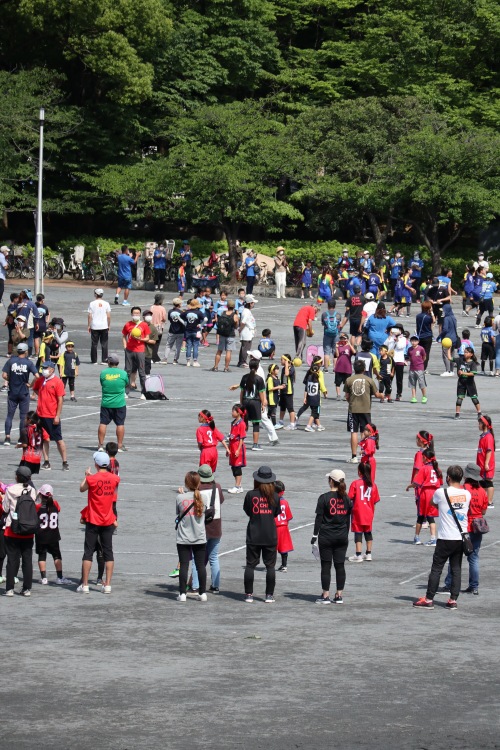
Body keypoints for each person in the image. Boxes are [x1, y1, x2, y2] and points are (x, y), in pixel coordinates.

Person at [413, 465, 470, 610]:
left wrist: (444, 509)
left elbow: (433, 503)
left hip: (445, 537)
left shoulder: (441, 492)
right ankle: (452, 600)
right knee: (456, 568)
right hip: (460, 537)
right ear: (461, 478)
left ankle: (429, 598)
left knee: (437, 568)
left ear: (448, 478)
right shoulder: (467, 494)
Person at [443, 463, 488, 596]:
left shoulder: (463, 489)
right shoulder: (482, 491)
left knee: (455, 556)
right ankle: (474, 586)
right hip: (478, 527)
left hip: (463, 527)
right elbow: (484, 511)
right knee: (474, 558)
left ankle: (449, 583)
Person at [79, 451, 120, 594]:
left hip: (93, 519)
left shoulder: (92, 479)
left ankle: (85, 585)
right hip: (108, 519)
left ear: (96, 464)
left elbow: (81, 488)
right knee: (108, 552)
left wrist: (87, 476)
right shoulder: (115, 478)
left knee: (88, 552)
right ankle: (107, 584)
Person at [311, 469, 352, 604]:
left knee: (326, 566)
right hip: (341, 536)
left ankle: (325, 595)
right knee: (340, 566)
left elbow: (319, 519)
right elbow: (348, 519)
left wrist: (314, 535)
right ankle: (339, 595)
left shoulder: (324, 498)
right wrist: (345, 533)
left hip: (326, 536)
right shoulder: (347, 498)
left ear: (331, 481)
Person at [186, 464, 225, 596]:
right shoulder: (217, 487)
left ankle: (195, 586)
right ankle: (215, 586)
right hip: (216, 526)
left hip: (201, 527)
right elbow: (222, 501)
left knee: (198, 558)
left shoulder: (198, 489)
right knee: (214, 557)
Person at [243, 465, 280, 603]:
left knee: (250, 565)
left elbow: (248, 511)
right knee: (270, 566)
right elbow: (276, 514)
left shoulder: (250, 495)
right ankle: (269, 595)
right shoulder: (275, 497)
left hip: (254, 533)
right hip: (270, 534)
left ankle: (248, 594)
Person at [2, 465, 37, 596]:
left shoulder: (11, 490)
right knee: (27, 560)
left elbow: (5, 509)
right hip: (28, 529)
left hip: (13, 529)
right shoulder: (32, 491)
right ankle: (27, 588)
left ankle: (9, 589)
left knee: (12, 560)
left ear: (17, 477)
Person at [174, 471, 207, 602]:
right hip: (199, 536)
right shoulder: (203, 497)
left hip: (183, 537)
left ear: (186, 483)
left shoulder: (179, 498)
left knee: (184, 565)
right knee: (200, 566)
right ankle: (202, 593)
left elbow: (178, 513)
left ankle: (182, 594)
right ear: (198, 483)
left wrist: (182, 495)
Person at [32, 361, 68, 471]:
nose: (43, 370)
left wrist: (57, 415)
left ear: (52, 369)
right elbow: (35, 388)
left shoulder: (57, 382)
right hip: (40, 414)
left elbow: (60, 399)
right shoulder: (41, 380)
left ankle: (65, 462)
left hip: (52, 415)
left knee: (58, 439)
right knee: (43, 439)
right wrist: (42, 397)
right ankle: (46, 461)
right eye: (42, 368)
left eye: (45, 368)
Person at [344, 360, 382, 463]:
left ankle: (354, 456)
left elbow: (347, 396)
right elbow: (377, 394)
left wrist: (351, 402)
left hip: (353, 409)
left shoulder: (349, 380)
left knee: (354, 432)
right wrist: (383, 395)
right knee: (365, 432)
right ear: (364, 369)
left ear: (354, 369)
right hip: (365, 409)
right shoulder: (369, 380)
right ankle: (364, 454)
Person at [35, 484, 71, 585]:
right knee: (57, 556)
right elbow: (57, 510)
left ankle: (44, 578)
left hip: (41, 535)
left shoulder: (37, 506)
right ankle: (59, 577)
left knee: (42, 556)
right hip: (53, 534)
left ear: (41, 495)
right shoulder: (56, 504)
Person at [2, 342, 37, 446]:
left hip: (13, 392)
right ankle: (21, 438)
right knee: (23, 416)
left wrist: (11, 379)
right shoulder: (28, 363)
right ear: (26, 351)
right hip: (24, 392)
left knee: (9, 415)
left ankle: (7, 437)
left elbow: (4, 375)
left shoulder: (11, 361)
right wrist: (31, 385)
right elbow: (37, 375)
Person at [406, 448, 442, 545]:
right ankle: (433, 538)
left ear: (426, 458)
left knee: (420, 516)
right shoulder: (437, 469)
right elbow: (440, 482)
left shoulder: (424, 468)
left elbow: (416, 483)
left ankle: (417, 537)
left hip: (425, 493)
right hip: (435, 493)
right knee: (431, 517)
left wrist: (409, 486)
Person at [348, 462, 380, 562]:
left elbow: (349, 497)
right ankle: (368, 553)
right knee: (368, 532)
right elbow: (375, 501)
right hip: (369, 512)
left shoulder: (355, 483)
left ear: (359, 472)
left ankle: (358, 554)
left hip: (358, 512)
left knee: (358, 533)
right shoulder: (373, 485)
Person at [98, 354, 129, 452]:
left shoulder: (103, 373)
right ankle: (119, 446)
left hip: (106, 403)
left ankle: (100, 445)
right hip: (119, 403)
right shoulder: (123, 373)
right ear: (118, 363)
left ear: (109, 362)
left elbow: (102, 383)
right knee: (120, 424)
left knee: (103, 423)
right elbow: (126, 383)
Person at [122, 306, 150, 395]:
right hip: (129, 350)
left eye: (138, 313)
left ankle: (143, 392)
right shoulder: (128, 324)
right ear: (131, 314)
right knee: (127, 371)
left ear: (140, 315)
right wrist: (125, 346)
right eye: (134, 313)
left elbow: (147, 338)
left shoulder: (144, 325)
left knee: (141, 371)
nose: (136, 315)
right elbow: (124, 336)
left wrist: (140, 338)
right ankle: (126, 392)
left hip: (140, 350)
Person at [240, 360, 267, 451]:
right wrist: (263, 403)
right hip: (255, 402)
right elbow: (261, 393)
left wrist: (241, 403)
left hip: (245, 401)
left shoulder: (244, 377)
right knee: (255, 423)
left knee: (244, 422)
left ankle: (241, 442)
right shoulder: (259, 379)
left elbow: (242, 392)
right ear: (257, 367)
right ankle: (255, 444)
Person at [296, 363, 326, 432]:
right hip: (316, 398)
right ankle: (308, 425)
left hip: (309, 397)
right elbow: (321, 386)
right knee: (314, 413)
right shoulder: (318, 378)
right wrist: (325, 392)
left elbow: (306, 389)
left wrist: (305, 398)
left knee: (315, 412)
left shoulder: (309, 377)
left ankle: (319, 425)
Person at [211, 300, 239, 372]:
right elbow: (236, 326)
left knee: (219, 351)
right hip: (230, 335)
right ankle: (226, 368)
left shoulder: (222, 313)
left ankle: (216, 367)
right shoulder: (235, 316)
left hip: (222, 334)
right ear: (234, 307)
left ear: (227, 306)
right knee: (228, 351)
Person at [455, 347, 481, 419]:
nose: (465, 353)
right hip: (461, 382)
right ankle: (457, 414)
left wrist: (463, 372)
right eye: (464, 352)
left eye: (467, 352)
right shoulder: (460, 360)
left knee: (474, 398)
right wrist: (448, 348)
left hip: (470, 383)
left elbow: (473, 373)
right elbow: (450, 358)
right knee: (459, 398)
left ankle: (479, 413)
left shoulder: (473, 363)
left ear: (471, 354)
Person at [227, 404, 247, 494]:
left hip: (238, 446)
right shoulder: (233, 422)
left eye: (233, 411)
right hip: (232, 445)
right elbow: (231, 437)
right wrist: (228, 449)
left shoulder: (241, 423)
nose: (232, 412)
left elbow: (242, 437)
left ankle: (237, 486)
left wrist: (238, 450)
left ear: (238, 412)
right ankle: (238, 485)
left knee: (237, 467)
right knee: (233, 467)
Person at [88, 288, 111, 365]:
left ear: (95, 294)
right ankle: (104, 360)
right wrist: (108, 325)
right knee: (104, 343)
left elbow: (90, 315)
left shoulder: (92, 303)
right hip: (104, 326)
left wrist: (89, 325)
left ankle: (94, 360)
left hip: (94, 326)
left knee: (94, 344)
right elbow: (108, 316)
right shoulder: (106, 303)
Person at [477, 415, 495, 508]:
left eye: (480, 423)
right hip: (481, 463)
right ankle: (483, 501)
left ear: (484, 425)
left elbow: (489, 450)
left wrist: (486, 463)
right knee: (483, 482)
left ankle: (490, 502)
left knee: (488, 481)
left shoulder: (488, 437)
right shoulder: (483, 436)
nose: (478, 425)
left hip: (486, 463)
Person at [275, 480, 293, 571]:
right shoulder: (285, 502)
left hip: (275, 526)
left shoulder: (272, 501)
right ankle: (284, 565)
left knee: (272, 546)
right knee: (284, 547)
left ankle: (270, 564)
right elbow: (288, 516)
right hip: (284, 526)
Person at [384, 326, 407, 401]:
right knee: (389, 378)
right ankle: (387, 393)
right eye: (395, 329)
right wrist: (390, 336)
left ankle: (399, 393)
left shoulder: (403, 339)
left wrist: (397, 340)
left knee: (399, 379)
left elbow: (400, 347)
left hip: (399, 360)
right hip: (391, 360)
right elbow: (385, 345)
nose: (396, 331)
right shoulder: (390, 338)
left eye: (398, 330)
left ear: (401, 331)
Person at [161, 298, 186, 365]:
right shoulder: (181, 312)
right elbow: (183, 321)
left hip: (172, 330)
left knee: (168, 345)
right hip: (180, 331)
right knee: (178, 346)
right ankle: (175, 359)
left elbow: (169, 319)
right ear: (179, 304)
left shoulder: (170, 311)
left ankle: (165, 358)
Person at [182, 299, 205, 367]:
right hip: (196, 330)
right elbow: (205, 319)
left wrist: (184, 323)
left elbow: (180, 316)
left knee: (188, 345)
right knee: (195, 346)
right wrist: (201, 324)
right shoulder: (199, 313)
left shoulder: (187, 312)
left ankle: (188, 361)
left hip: (188, 330)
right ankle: (195, 361)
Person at [439, 303, 459, 376]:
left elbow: (445, 329)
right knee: (452, 354)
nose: (443, 312)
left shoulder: (446, 318)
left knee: (445, 355)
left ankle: (448, 371)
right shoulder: (453, 317)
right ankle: (452, 370)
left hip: (447, 339)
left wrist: (439, 336)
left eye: (443, 310)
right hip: (454, 338)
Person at [237, 294, 257, 368]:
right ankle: (243, 362)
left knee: (245, 347)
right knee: (246, 348)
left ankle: (241, 361)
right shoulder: (246, 312)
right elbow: (243, 322)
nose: (254, 304)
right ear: (250, 303)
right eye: (253, 303)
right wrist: (240, 330)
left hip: (248, 332)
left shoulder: (247, 311)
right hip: (246, 332)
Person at [415, 301, 435, 371]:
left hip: (419, 336)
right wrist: (432, 312)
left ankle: (418, 366)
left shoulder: (418, 316)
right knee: (426, 353)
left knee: (419, 352)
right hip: (427, 336)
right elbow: (434, 321)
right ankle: (423, 368)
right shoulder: (428, 317)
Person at [406, 336, 427, 403]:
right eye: (412, 341)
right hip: (412, 368)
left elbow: (424, 357)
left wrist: (421, 363)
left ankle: (424, 396)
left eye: (415, 341)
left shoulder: (421, 349)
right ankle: (414, 397)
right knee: (412, 383)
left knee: (421, 383)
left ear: (418, 341)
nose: (413, 342)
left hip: (419, 368)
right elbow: (409, 357)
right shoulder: (409, 349)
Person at [333, 333, 355, 399]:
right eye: (341, 339)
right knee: (337, 383)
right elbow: (336, 355)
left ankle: (346, 395)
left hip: (347, 367)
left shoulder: (349, 347)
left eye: (344, 339)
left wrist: (349, 344)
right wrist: (336, 347)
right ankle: (338, 395)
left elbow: (354, 352)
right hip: (339, 367)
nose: (342, 340)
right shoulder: (339, 346)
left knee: (347, 383)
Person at [321, 299, 340, 372]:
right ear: (335, 305)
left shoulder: (324, 314)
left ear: (328, 305)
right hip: (336, 334)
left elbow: (323, 324)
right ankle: (335, 368)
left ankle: (326, 368)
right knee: (335, 351)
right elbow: (338, 324)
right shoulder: (338, 314)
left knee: (326, 351)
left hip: (327, 334)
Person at [150, 294, 167, 362]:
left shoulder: (152, 307)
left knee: (152, 342)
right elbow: (164, 318)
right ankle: (154, 357)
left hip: (151, 326)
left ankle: (153, 356)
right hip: (159, 326)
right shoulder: (162, 308)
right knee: (157, 342)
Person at [142, 310, 159, 375]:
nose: (149, 317)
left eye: (150, 315)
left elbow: (154, 341)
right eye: (147, 315)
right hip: (138, 352)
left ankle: (147, 383)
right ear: (143, 317)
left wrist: (144, 340)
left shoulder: (153, 328)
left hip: (148, 353)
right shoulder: (140, 325)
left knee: (147, 371)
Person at [33, 293, 49, 358]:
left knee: (36, 339)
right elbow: (48, 314)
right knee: (43, 339)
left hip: (36, 325)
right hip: (43, 325)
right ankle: (44, 353)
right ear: (42, 300)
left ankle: (37, 353)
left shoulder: (34, 306)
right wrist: (47, 319)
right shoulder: (45, 307)